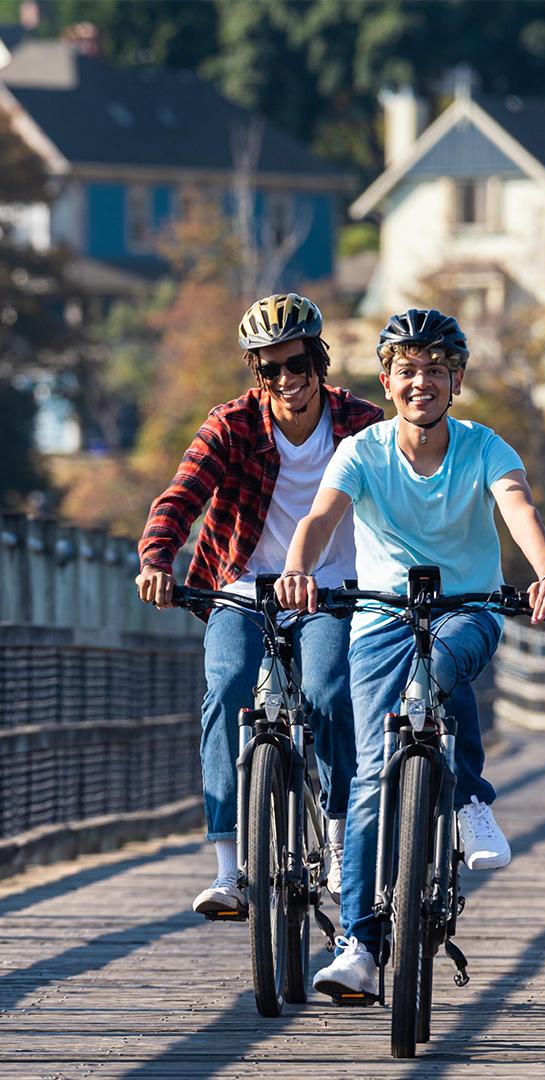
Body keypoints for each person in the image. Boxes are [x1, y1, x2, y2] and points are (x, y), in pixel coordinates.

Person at [275, 307, 545, 1000]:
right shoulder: (364, 451)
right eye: (408, 371)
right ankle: (358, 946)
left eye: (436, 371)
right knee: (374, 775)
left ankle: (469, 798)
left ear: (457, 380)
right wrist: (298, 568)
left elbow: (518, 506)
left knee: (439, 668)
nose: (422, 383)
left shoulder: (483, 445)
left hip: (469, 610)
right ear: (387, 380)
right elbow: (321, 517)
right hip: (380, 620)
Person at [136, 293, 382, 915]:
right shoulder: (233, 425)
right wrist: (157, 559)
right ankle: (228, 867)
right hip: (242, 588)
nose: (285, 381)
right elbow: (181, 495)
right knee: (225, 687)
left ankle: (336, 836)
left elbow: (405, 495)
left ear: (318, 359)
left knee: (329, 689)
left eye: (295, 364)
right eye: (268, 369)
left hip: (333, 588)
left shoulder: (361, 423)